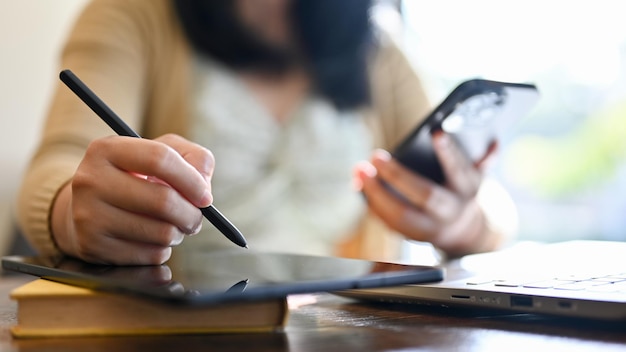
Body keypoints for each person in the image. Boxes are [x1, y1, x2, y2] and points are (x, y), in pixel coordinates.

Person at [17, 0, 508, 265]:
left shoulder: (378, 48)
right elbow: (59, 164)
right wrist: (71, 213)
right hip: (174, 328)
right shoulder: (132, 15)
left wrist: (462, 222)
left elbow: (494, 208)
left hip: (349, 332)